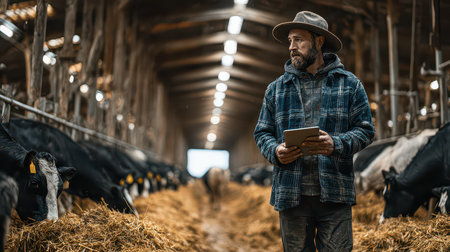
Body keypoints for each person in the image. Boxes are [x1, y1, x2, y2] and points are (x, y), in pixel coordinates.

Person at [253, 11, 375, 252]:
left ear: (319, 42)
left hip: (334, 194)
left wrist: (336, 144)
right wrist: (275, 151)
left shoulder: (349, 84)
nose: (292, 47)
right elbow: (262, 133)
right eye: (290, 41)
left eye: (299, 40)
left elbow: (365, 130)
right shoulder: (276, 89)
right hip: (291, 195)